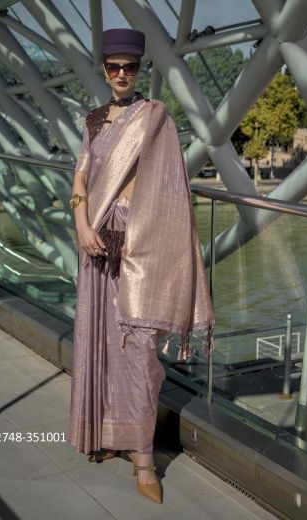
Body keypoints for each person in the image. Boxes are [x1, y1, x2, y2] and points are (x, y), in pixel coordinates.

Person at [68, 28, 214, 504]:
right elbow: (82, 178)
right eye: (114, 67)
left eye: (130, 67)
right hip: (95, 246)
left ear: (140, 70)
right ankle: (106, 435)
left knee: (138, 354)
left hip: (140, 246)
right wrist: (81, 225)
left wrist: (139, 233)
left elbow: (170, 185)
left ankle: (144, 456)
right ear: (104, 69)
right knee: (100, 342)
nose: (122, 74)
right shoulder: (92, 120)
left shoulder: (154, 118)